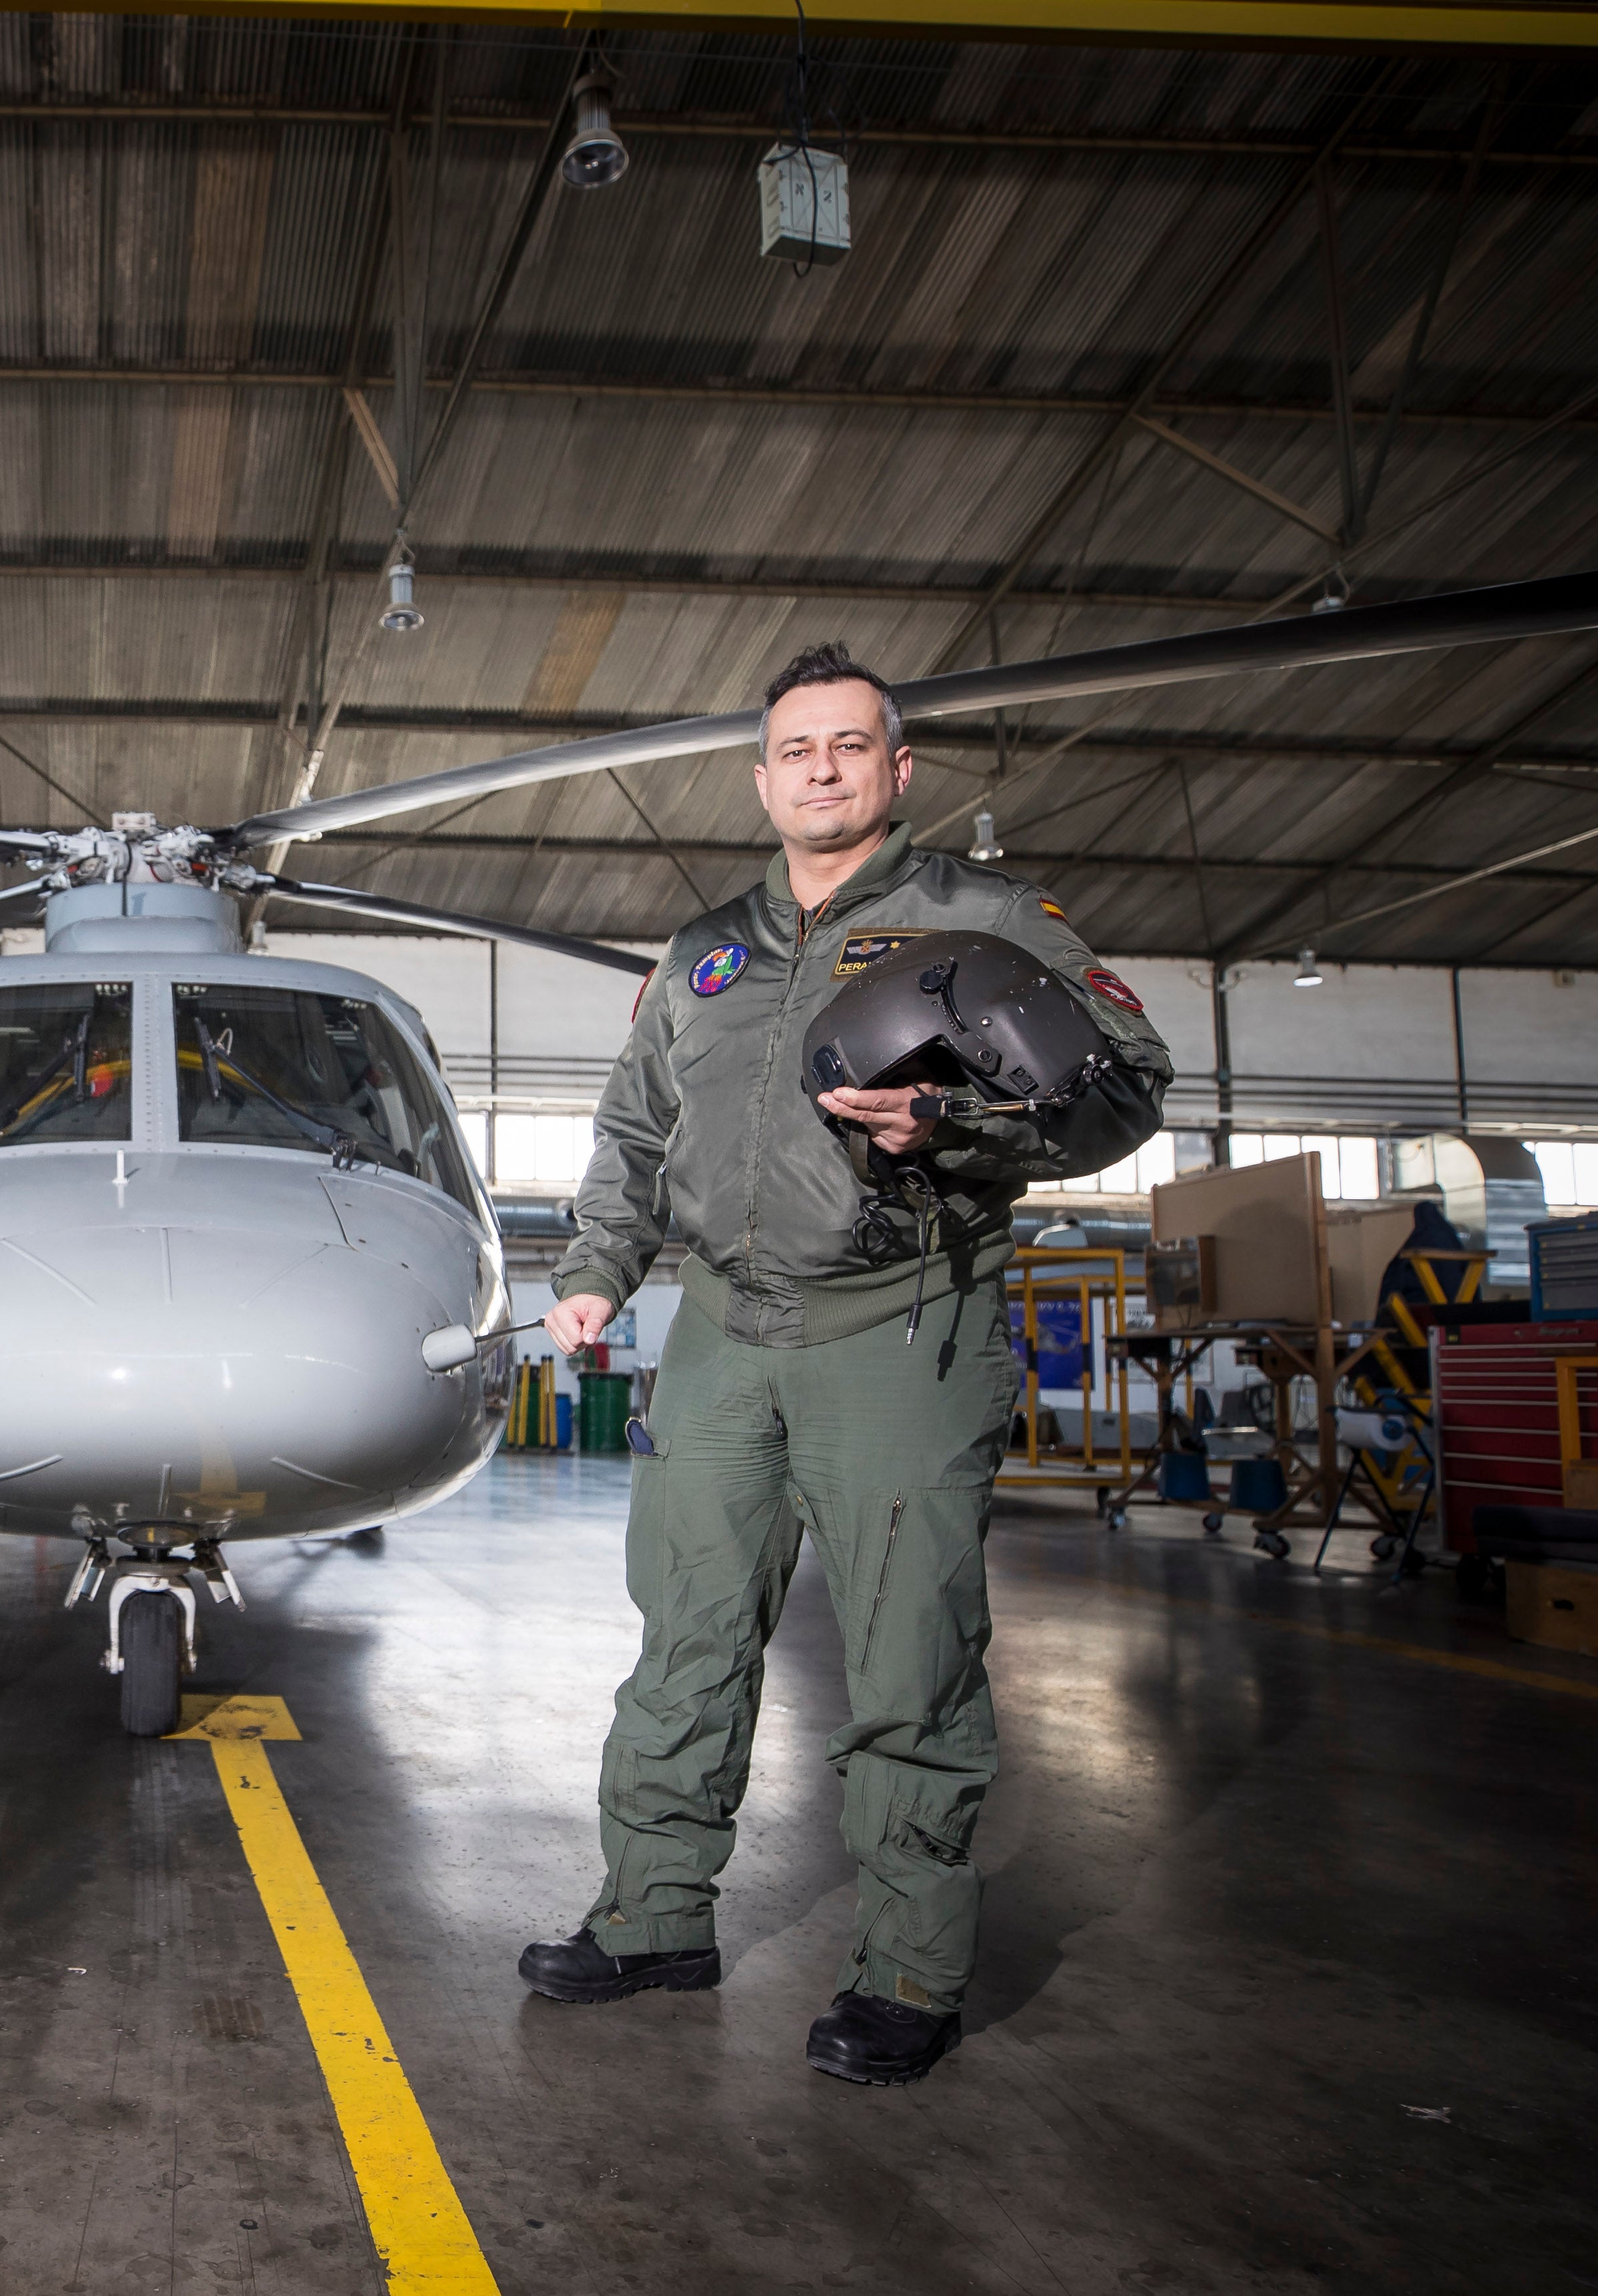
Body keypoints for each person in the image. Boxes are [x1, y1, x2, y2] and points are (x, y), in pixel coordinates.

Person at [516, 641, 1172, 2085]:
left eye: (846, 746)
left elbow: (1126, 1088)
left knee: (906, 1661)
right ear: (762, 776)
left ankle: (907, 1973)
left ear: (895, 768)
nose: (819, 768)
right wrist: (590, 1277)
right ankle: (651, 1915)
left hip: (900, 1328)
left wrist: (947, 1134)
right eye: (794, 749)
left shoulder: (983, 917)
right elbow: (631, 1140)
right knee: (684, 1639)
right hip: (717, 1339)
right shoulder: (701, 952)